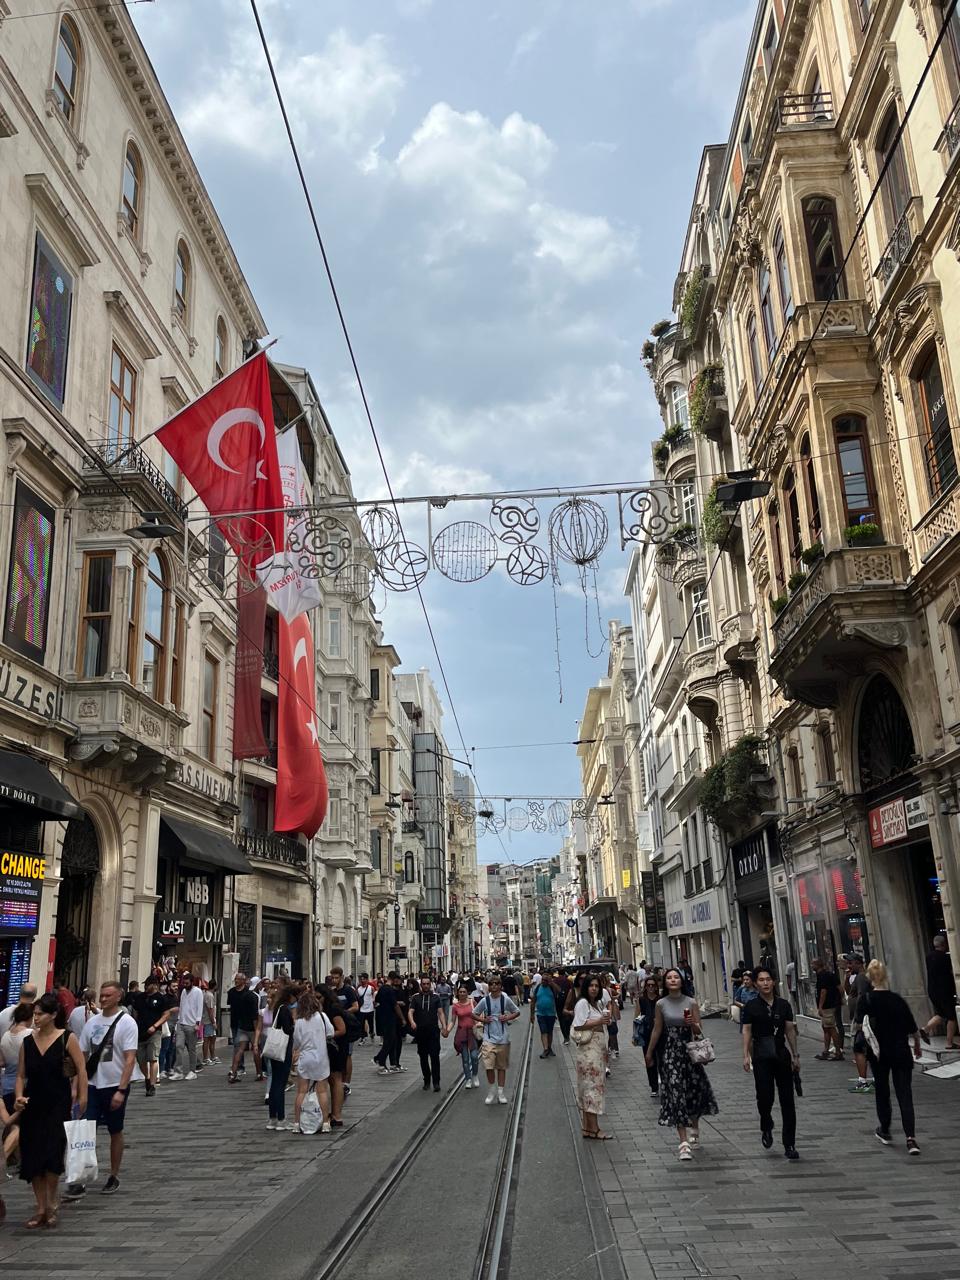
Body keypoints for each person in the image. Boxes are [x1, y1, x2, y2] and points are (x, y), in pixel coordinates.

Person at [12, 993, 87, 1227]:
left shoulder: (67, 1038)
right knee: (33, 1155)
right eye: (34, 1014)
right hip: (33, 1104)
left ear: (53, 1015)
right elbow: (21, 1074)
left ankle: (52, 1204)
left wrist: (82, 1097)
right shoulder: (28, 1041)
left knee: (52, 1153)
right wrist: (18, 1097)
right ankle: (40, 1207)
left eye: (40, 1014)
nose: (35, 1018)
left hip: (57, 1103)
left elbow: (81, 1069)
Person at [67, 980, 142, 1200]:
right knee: (83, 1129)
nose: (103, 998)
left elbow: (129, 1059)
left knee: (115, 1130)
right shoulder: (92, 1023)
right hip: (91, 1084)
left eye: (108, 995)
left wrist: (121, 1089)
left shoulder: (127, 1023)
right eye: (102, 995)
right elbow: (81, 1058)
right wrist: (75, 1087)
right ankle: (79, 1178)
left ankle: (114, 1174)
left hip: (114, 1084)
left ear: (119, 996)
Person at [644, 968, 718, 1161]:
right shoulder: (661, 1004)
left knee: (693, 1091)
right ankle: (683, 1142)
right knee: (675, 1092)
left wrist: (692, 1022)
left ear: (681, 980)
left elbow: (698, 1030)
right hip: (670, 1052)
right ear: (665, 982)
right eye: (669, 977)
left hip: (689, 1052)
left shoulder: (691, 1002)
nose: (673, 980)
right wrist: (650, 1052)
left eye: (676, 977)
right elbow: (657, 1029)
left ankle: (695, 1127)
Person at [857, 959, 922, 1154]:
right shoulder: (897, 999)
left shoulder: (866, 1000)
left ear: (869, 977)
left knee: (882, 1091)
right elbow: (912, 1028)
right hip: (900, 1050)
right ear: (885, 976)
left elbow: (860, 1026)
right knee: (904, 1094)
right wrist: (917, 1045)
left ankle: (885, 1129)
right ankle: (911, 1138)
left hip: (879, 1053)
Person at [741, 966, 800, 1161]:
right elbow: (747, 1031)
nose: (765, 983)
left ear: (773, 982)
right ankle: (766, 1124)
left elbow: (789, 1030)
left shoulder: (783, 1005)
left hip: (781, 1055)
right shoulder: (751, 1006)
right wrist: (745, 1056)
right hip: (761, 1057)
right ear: (756, 984)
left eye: (768, 979)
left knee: (787, 1101)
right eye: (761, 980)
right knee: (765, 1097)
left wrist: (795, 1055)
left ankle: (789, 1143)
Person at [572, 975, 612, 1139]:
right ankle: (594, 1129)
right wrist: (599, 1022)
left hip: (596, 1049)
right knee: (592, 1087)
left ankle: (587, 1127)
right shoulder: (583, 1003)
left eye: (597, 986)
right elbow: (578, 1024)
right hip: (589, 1051)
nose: (594, 988)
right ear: (585, 988)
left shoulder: (595, 1004)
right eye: (591, 986)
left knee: (589, 1087)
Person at [289, 987, 332, 1133]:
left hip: (305, 1057)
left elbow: (296, 1042)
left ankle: (296, 1123)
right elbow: (330, 1032)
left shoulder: (300, 1021)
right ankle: (325, 1122)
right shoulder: (322, 1017)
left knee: (301, 1091)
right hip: (320, 1057)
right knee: (322, 1091)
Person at [475, 974, 520, 1105]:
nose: (494, 986)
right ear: (489, 986)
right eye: (491, 984)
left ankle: (500, 1092)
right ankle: (492, 1090)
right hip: (488, 1038)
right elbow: (474, 1013)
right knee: (489, 1067)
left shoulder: (505, 999)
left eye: (496, 984)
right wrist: (483, 1020)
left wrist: (507, 1017)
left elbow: (516, 1011)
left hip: (503, 1038)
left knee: (501, 1067)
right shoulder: (485, 1000)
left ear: (500, 986)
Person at [131, 976, 174, 1096]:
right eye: (145, 984)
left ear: (155, 985)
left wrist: (155, 1026)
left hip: (155, 1032)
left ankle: (152, 1085)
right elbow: (135, 1012)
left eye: (148, 984)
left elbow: (166, 1014)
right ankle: (147, 1077)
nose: (146, 987)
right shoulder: (140, 998)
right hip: (141, 1032)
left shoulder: (161, 999)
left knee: (153, 1058)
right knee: (141, 1059)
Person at [409, 976, 448, 1091]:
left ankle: (436, 1082)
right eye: (424, 984)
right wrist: (412, 1022)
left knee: (435, 1056)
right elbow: (410, 1012)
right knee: (423, 1057)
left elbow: (440, 1013)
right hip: (421, 1031)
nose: (426, 986)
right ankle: (427, 1080)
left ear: (430, 984)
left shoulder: (436, 997)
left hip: (433, 1031)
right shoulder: (416, 998)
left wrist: (444, 1026)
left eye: (427, 984)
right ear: (421, 985)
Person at [318, 984, 347, 1126]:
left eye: (319, 997)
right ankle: (334, 1113)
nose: (317, 1000)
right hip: (330, 1047)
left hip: (337, 1047)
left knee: (336, 1079)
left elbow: (341, 1030)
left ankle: (337, 1115)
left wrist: (325, 1035)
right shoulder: (324, 1009)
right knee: (332, 1080)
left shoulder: (333, 1008)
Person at [922, 934, 958, 1048]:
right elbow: (951, 973)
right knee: (951, 1017)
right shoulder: (945, 958)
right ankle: (949, 1043)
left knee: (941, 1014)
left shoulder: (928, 957)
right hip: (944, 991)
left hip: (932, 990)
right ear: (944, 945)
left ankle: (925, 1029)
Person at [844, 956, 873, 1092]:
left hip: (861, 1019)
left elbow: (862, 996)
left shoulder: (861, 977)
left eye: (851, 963)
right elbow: (849, 991)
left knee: (859, 1048)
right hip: (862, 1017)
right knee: (866, 1048)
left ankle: (862, 1081)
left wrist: (860, 1018)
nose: (849, 965)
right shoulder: (859, 977)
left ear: (858, 963)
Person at [169, 971, 203, 1081]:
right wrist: (178, 1020)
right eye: (184, 983)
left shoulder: (198, 992)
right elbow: (182, 1006)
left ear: (192, 982)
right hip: (181, 1023)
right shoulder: (183, 991)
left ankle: (192, 1071)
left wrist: (198, 1024)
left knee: (192, 1049)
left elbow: (200, 1008)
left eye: (187, 983)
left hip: (192, 1024)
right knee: (178, 1046)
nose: (185, 985)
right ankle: (178, 1071)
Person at [226, 972, 259, 1083]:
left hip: (245, 1024)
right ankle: (239, 1069)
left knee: (241, 1047)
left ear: (244, 981)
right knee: (239, 1046)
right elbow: (232, 1007)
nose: (236, 981)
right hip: (238, 1023)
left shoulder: (247, 994)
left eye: (239, 979)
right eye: (235, 979)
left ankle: (238, 1070)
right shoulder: (231, 992)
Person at [446, 982, 480, 1087]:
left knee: (474, 1057)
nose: (462, 993)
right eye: (460, 992)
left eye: (464, 992)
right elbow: (452, 1021)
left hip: (472, 1032)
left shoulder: (472, 1002)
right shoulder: (455, 1006)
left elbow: (479, 1013)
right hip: (461, 1033)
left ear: (467, 993)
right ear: (457, 993)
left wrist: (479, 1022)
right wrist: (447, 1030)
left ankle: (475, 1075)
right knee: (465, 1059)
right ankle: (468, 1079)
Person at [812, 958, 844, 1061]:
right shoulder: (831, 974)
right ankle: (826, 1051)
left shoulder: (822, 976)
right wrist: (840, 999)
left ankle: (838, 1052)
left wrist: (820, 1006)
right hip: (833, 1004)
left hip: (827, 1006)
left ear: (818, 965)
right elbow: (840, 988)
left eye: (813, 964)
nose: (811, 966)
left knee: (831, 1028)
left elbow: (823, 992)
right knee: (826, 1028)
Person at [373, 971, 405, 1074]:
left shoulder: (381, 989)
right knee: (389, 1041)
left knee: (392, 1040)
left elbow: (376, 1002)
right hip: (390, 1018)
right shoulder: (390, 990)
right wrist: (402, 1018)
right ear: (394, 978)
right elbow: (395, 1006)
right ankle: (380, 1062)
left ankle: (393, 1064)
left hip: (383, 1017)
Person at [635, 976, 661, 1097]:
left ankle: (663, 1081)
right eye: (648, 985)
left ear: (656, 987)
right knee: (649, 1059)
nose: (650, 987)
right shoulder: (641, 1000)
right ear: (645, 987)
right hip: (645, 1033)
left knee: (660, 1059)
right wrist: (635, 1035)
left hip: (660, 1033)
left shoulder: (660, 1000)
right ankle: (654, 1086)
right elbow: (636, 1017)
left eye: (652, 985)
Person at [532, 971, 558, 1058]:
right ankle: (545, 1049)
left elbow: (560, 991)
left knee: (549, 1032)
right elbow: (533, 1001)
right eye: (543, 980)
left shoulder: (552, 987)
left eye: (546, 980)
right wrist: (531, 1015)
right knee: (543, 1031)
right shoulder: (538, 987)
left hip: (551, 1014)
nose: (543, 981)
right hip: (540, 1014)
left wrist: (552, 983)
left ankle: (549, 1048)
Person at [202, 979, 220, 1065]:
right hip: (208, 1021)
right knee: (207, 1039)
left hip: (210, 1020)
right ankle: (206, 1058)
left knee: (212, 1038)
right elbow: (210, 1010)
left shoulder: (209, 995)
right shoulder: (209, 995)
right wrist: (213, 1022)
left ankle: (212, 1056)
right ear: (215, 986)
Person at [357, 974, 376, 1043]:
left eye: (364, 979)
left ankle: (371, 1033)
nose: (362, 981)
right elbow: (358, 998)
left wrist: (374, 1003)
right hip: (362, 1009)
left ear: (367, 980)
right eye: (361, 979)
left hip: (370, 1009)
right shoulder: (358, 989)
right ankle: (363, 1037)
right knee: (361, 1024)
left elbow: (373, 996)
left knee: (371, 1024)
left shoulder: (371, 988)